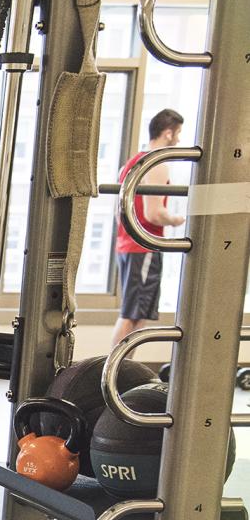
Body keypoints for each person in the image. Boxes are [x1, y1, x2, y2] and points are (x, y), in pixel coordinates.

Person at [112, 108, 187, 347]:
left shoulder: (132, 162)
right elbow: (154, 213)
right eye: (177, 134)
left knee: (135, 315)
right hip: (142, 247)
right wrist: (179, 220)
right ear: (167, 133)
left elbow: (119, 212)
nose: (178, 141)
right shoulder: (157, 164)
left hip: (127, 245)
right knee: (133, 316)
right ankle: (113, 374)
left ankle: (118, 373)